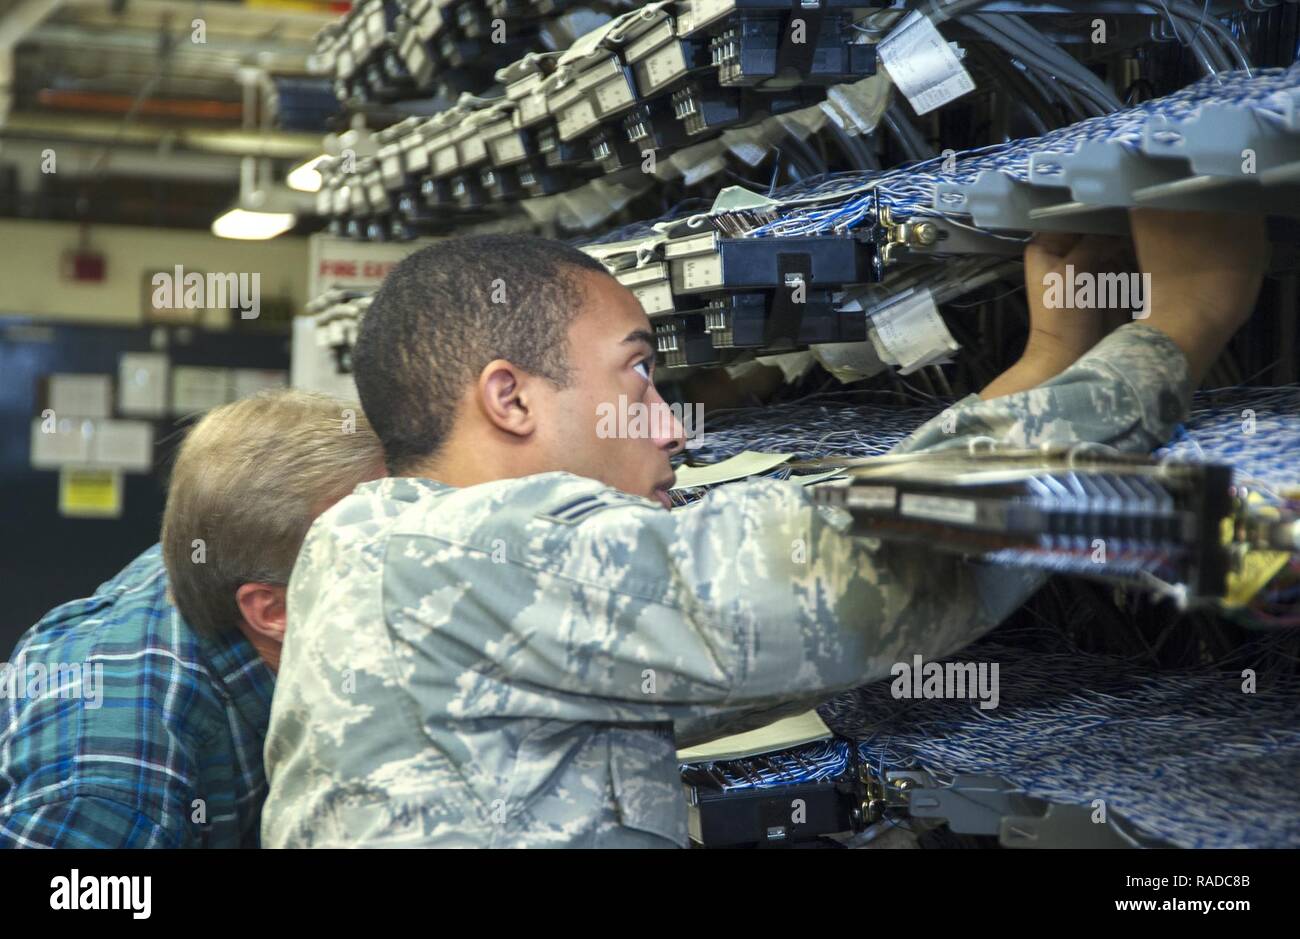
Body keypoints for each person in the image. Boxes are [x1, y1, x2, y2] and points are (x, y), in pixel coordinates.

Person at [261, 209, 1267, 848]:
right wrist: (1182, 322)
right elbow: (844, 576)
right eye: (640, 372)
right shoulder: (467, 555)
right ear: (510, 400)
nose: (670, 428)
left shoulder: (387, 548)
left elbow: (787, 615)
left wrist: (1051, 353)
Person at [0, 390, 384, 848]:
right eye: (380, 554)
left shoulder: (221, 553)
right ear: (273, 610)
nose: (421, 567)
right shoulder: (118, 776)